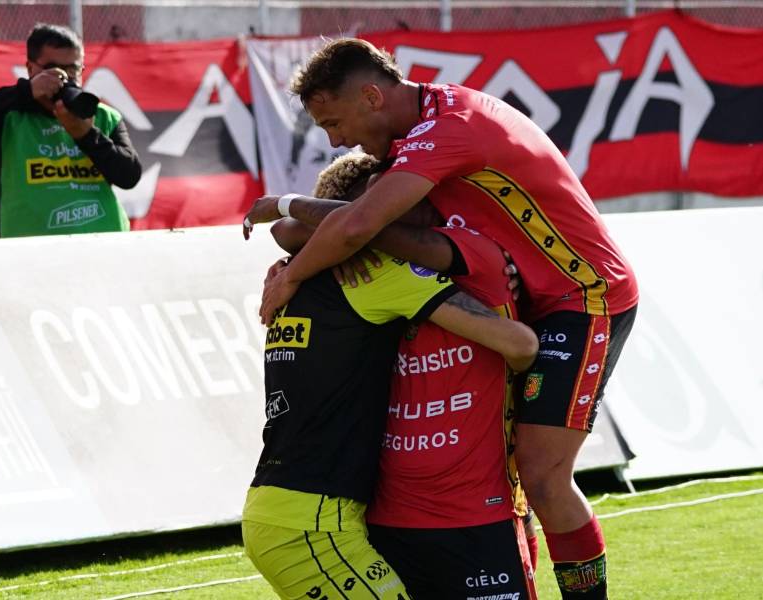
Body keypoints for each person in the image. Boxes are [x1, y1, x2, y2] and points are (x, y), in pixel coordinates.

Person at [248, 39, 639, 600]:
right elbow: (352, 222)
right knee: (508, 466)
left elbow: (359, 227)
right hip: (527, 296)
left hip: (583, 297)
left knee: (543, 472)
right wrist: (291, 236)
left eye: (334, 122)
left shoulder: (449, 126)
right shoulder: (418, 128)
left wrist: (290, 275)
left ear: (372, 95)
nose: (336, 141)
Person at [241, 159, 538, 600]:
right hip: (311, 524)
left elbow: (287, 229)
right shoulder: (374, 273)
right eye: (395, 197)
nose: (419, 205)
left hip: (289, 510)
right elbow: (520, 345)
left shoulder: (302, 275)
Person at [0, 23, 141, 238]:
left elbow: (129, 176)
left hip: (102, 246)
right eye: (54, 69)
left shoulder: (103, 115)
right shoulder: (7, 115)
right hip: (23, 253)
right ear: (31, 68)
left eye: (73, 70)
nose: (65, 79)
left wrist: (86, 135)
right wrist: (27, 91)